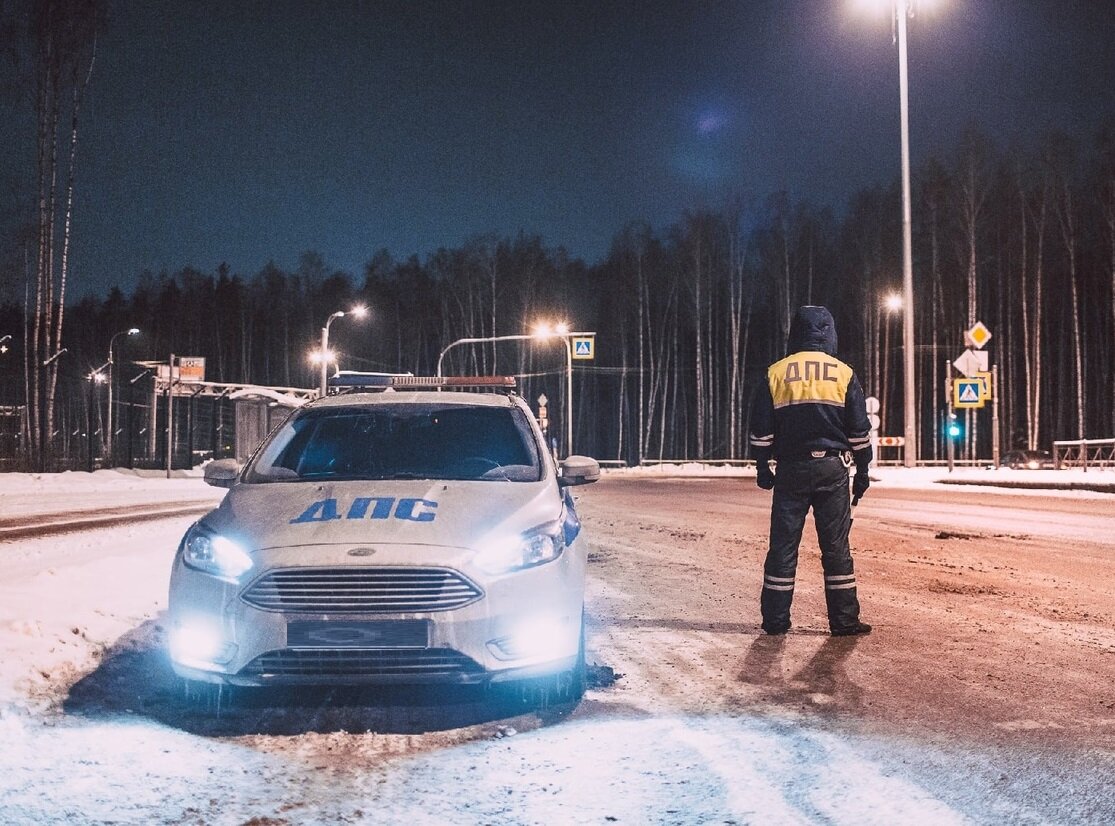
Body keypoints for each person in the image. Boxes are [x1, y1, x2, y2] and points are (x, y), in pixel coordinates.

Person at [749, 305, 873, 636]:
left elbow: (761, 430)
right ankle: (844, 621)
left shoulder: (776, 373)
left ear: (796, 333)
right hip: (833, 470)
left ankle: (775, 621)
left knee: (783, 547)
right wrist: (863, 471)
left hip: (790, 470)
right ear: (830, 332)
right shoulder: (844, 374)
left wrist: (762, 466)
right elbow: (858, 431)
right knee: (836, 548)